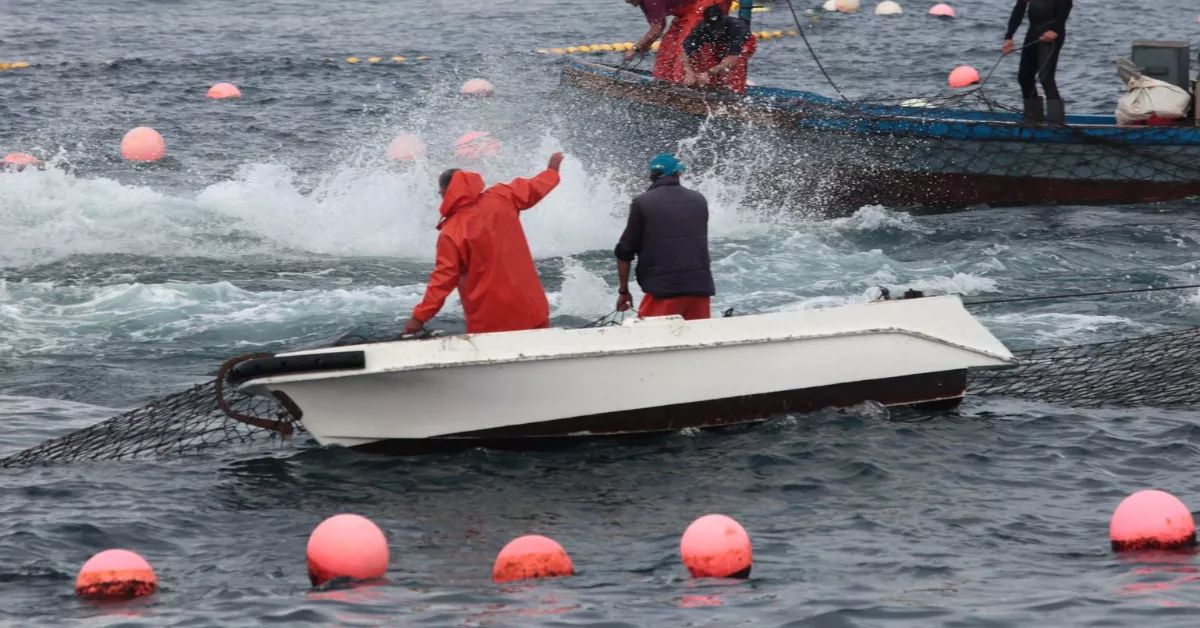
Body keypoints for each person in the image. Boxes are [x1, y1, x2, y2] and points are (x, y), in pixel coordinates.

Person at [403, 153, 565, 336]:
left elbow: (443, 280)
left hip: (491, 319)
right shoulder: (502, 196)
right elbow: (535, 187)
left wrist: (419, 317)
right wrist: (552, 171)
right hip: (531, 306)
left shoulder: (451, 233)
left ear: (445, 193)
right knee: (541, 349)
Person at [614, 154, 715, 320]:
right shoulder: (699, 200)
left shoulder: (642, 203)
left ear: (651, 176)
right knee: (696, 335)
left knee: (654, 335)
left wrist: (623, 292)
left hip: (663, 291)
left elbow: (624, 252)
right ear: (678, 173)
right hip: (700, 288)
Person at [624, 0, 732, 84]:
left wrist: (635, 48)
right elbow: (658, 27)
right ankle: (664, 80)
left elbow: (657, 29)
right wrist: (646, 45)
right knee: (667, 48)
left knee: (685, 49)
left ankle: (689, 84)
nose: (626, 1)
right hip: (685, 12)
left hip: (704, 6)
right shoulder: (645, 2)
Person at [1002, 0, 1073, 123]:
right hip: (1033, 32)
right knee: (1024, 77)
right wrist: (1009, 37)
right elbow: (1019, 9)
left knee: (1046, 77)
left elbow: (1066, 5)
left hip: (1052, 35)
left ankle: (1057, 123)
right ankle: (1033, 120)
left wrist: (1055, 29)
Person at [680, 5, 757, 93]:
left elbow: (733, 59)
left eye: (719, 26)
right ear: (707, 25)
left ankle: (737, 92)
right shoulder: (700, 29)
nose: (717, 30)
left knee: (735, 66)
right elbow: (685, 51)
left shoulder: (736, 27)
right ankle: (713, 89)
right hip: (718, 44)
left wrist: (709, 72)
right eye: (713, 28)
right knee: (706, 64)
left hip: (744, 44)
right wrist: (689, 72)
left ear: (723, 21)